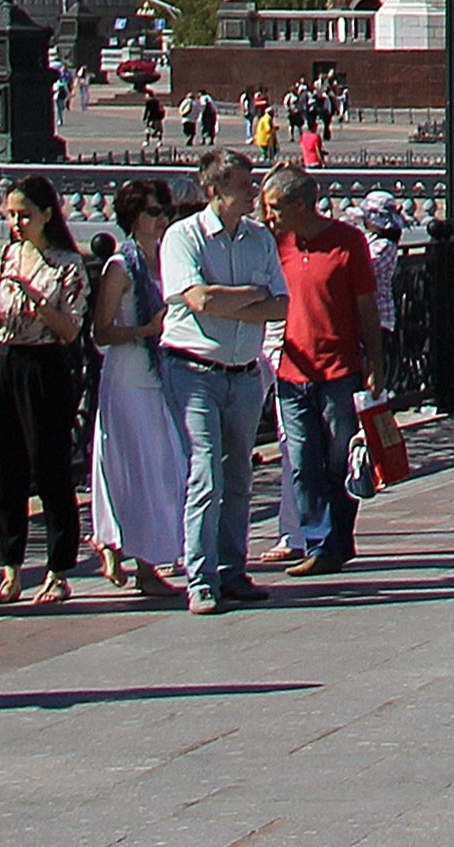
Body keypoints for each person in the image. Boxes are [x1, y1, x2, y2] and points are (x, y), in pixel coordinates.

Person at [158, 152, 282, 610]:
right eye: (243, 185)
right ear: (214, 191)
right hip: (194, 371)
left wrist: (227, 300)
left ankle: (232, 569)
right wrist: (252, 295)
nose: (253, 193)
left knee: (239, 475)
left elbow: (281, 306)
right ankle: (200, 577)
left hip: (245, 374)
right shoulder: (182, 238)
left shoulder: (260, 239)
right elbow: (199, 299)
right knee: (206, 471)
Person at [0, 173, 93, 605]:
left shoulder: (66, 264)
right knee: (5, 469)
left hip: (44, 364)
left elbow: (69, 329)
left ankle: (58, 568)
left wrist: (35, 299)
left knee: (50, 467)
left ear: (46, 215)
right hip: (4, 358)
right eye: (10, 216)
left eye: (24, 216)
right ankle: (10, 567)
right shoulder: (4, 257)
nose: (16, 224)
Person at [263, 169, 377, 575]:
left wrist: (375, 363)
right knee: (300, 462)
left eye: (275, 207)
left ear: (299, 205)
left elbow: (366, 305)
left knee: (337, 461)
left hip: (339, 370)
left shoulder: (348, 242)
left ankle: (337, 541)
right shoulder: (274, 245)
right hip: (291, 370)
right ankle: (318, 542)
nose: (268, 215)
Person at [87, 176, 192, 601]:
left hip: (162, 375)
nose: (162, 219)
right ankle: (142, 561)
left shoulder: (166, 259)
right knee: (139, 467)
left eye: (164, 212)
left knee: (167, 466)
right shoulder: (120, 266)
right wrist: (143, 330)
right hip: (129, 377)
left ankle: (136, 549)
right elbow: (100, 332)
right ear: (134, 217)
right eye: (153, 212)